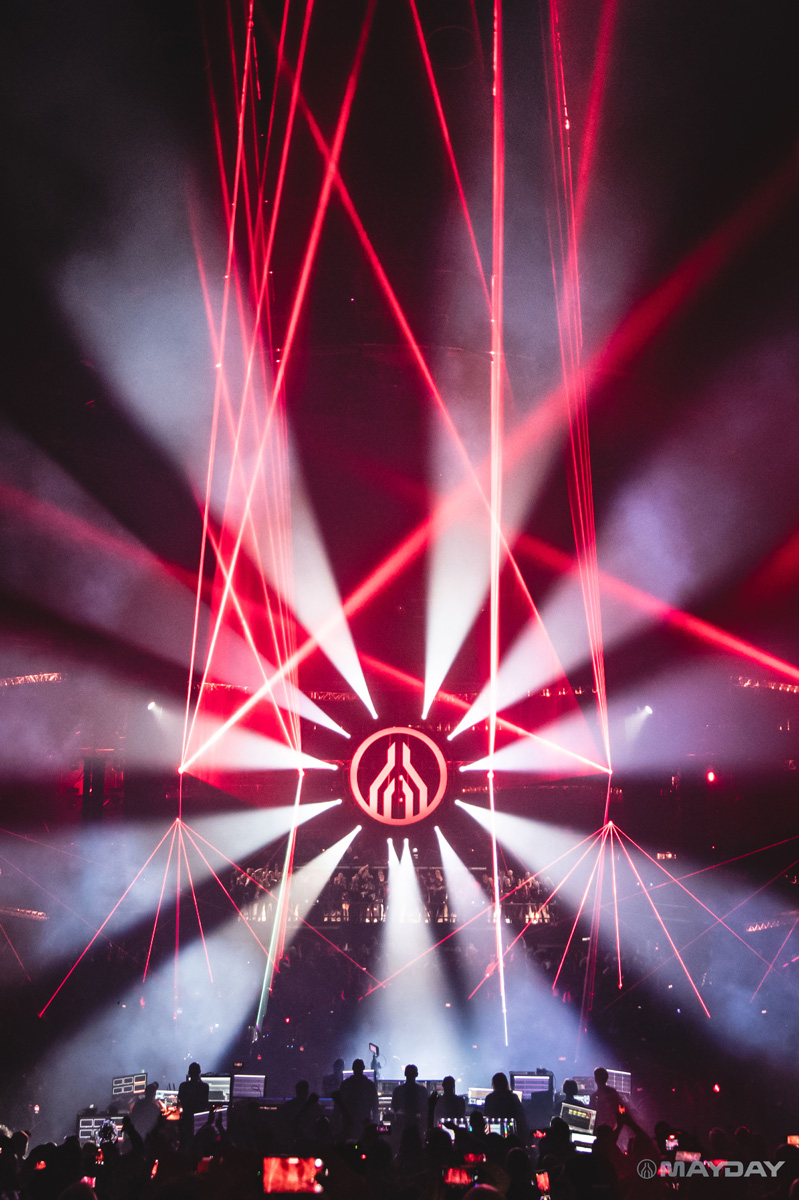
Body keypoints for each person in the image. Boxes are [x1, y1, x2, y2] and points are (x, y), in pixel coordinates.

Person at [336, 1058, 379, 1138]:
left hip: (348, 1122)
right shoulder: (370, 1085)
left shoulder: (345, 1084)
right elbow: (375, 1105)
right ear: (363, 1068)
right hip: (364, 1122)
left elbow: (339, 1104)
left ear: (352, 1068)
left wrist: (336, 1122)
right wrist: (376, 1123)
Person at [483, 1073, 528, 1140]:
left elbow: (486, 1115)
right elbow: (521, 1117)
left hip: (494, 1135)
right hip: (512, 1135)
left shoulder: (490, 1098)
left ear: (493, 1084)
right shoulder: (513, 1097)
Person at [178, 1063, 210, 1149]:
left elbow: (180, 1100)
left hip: (186, 1120)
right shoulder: (204, 1087)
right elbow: (205, 1104)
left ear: (189, 1073)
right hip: (200, 1121)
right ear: (199, 1072)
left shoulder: (183, 1086)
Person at [391, 1064, 428, 1129]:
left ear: (405, 1074)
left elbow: (394, 1107)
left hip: (401, 1125)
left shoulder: (398, 1090)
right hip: (418, 1125)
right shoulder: (422, 1090)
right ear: (416, 1074)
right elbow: (425, 1109)